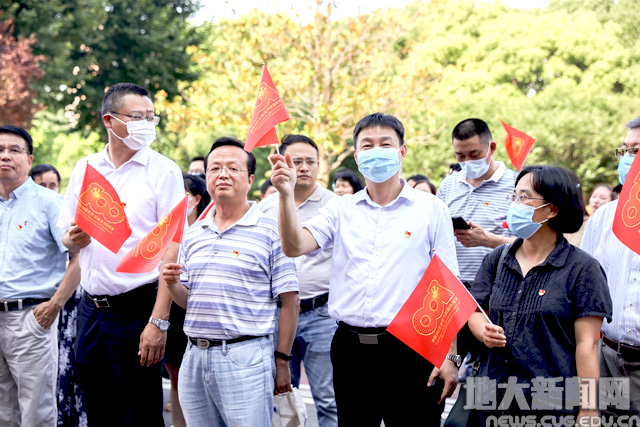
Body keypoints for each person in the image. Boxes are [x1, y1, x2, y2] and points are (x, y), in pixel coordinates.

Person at [270, 112, 460, 426]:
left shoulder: (431, 209)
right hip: (351, 350)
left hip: (413, 348)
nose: (376, 151)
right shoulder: (340, 208)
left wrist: (449, 355)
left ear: (402, 152)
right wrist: (286, 195)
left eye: (386, 144)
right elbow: (294, 246)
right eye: (367, 145)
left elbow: (447, 284)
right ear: (357, 157)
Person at [57, 83, 184, 426]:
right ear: (109, 121)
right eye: (137, 117)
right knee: (98, 410)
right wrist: (73, 238)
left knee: (140, 414)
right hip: (91, 309)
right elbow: (68, 236)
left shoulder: (163, 170)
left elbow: (172, 246)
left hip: (138, 306)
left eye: (151, 117)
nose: (147, 124)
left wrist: (158, 321)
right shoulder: (86, 168)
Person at [162, 137, 300, 427]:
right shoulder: (193, 232)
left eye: (233, 168)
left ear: (249, 179)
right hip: (194, 356)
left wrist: (282, 360)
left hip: (245, 357)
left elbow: (290, 301)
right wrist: (173, 284)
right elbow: (188, 302)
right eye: (215, 168)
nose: (222, 174)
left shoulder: (272, 231)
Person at [468, 165, 612, 424]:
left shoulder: (582, 269)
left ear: (552, 209)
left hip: (551, 408)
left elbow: (587, 345)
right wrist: (483, 331)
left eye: (524, 197)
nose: (515, 204)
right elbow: (474, 310)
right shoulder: (497, 259)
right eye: (514, 196)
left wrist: (588, 411)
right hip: (492, 401)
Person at [259, 134, 339, 426]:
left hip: (322, 315)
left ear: (319, 166)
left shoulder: (336, 206)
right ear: (281, 163)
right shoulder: (266, 207)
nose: (304, 167)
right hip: (276, 315)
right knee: (279, 396)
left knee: (328, 399)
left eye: (310, 162)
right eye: (297, 162)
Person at [0, 125, 74, 426]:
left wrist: (55, 305)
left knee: (36, 412)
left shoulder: (50, 203)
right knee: (3, 413)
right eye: (0, 150)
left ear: (29, 160)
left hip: (30, 318)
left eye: (14, 150)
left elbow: (80, 256)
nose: (5, 156)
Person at [437, 118, 516, 362]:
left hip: (496, 294)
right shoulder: (449, 185)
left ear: (491, 148)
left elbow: (534, 245)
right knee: (444, 365)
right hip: (452, 291)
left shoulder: (516, 185)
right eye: (460, 156)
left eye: (474, 154)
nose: (467, 162)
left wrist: (489, 240)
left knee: (491, 367)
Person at [582, 116, 640, 419]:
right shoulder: (604, 217)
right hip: (606, 357)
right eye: (625, 150)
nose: (628, 159)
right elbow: (583, 287)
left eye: (636, 151)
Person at [164, 173, 211, 427]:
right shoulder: (164, 231)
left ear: (196, 200)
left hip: (197, 314)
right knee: (176, 378)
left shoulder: (206, 230)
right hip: (171, 311)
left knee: (200, 382)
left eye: (182, 195)